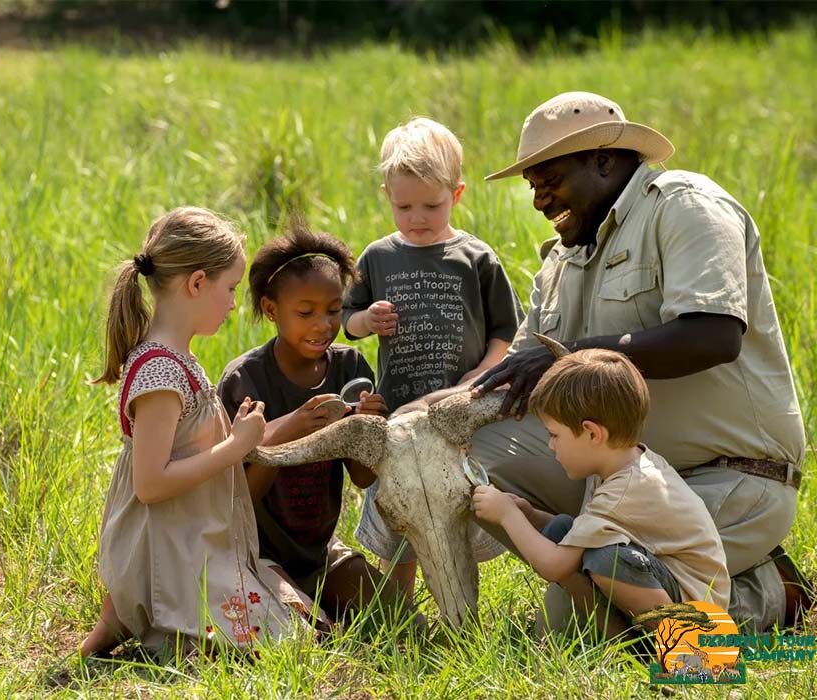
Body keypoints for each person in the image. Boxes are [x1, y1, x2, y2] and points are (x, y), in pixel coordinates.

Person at [462, 91, 808, 631]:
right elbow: (512, 381)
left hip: (728, 479)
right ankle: (617, 576)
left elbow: (714, 335)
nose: (539, 201)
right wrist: (411, 415)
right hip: (624, 475)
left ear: (602, 159)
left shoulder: (685, 205)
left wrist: (577, 354)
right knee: (467, 449)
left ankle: (768, 595)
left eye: (549, 181)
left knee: (576, 619)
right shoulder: (561, 261)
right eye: (533, 186)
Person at [80, 207, 320, 659]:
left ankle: (131, 622)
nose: (233, 303)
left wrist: (242, 434)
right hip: (170, 553)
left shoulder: (176, 358)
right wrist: (235, 446)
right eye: (229, 288)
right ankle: (139, 620)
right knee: (283, 644)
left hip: (190, 541)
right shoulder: (160, 374)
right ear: (196, 283)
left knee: (301, 620)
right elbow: (150, 486)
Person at [341, 117, 524, 596]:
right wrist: (366, 322)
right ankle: (400, 605)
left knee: (458, 505)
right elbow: (347, 318)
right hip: (399, 414)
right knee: (400, 507)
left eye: (432, 205)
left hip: (459, 413)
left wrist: (483, 375)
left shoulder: (475, 258)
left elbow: (507, 328)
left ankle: (460, 601)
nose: (417, 217)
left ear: (457, 195)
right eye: (404, 206)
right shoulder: (378, 257)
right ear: (386, 195)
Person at [217, 219, 410, 622]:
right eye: (305, 312)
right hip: (254, 555)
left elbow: (362, 478)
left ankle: (318, 601)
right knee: (305, 637)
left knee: (401, 620)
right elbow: (235, 498)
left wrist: (366, 429)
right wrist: (289, 434)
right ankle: (303, 610)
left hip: (321, 555)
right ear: (271, 310)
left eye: (334, 310)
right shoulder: (246, 380)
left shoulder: (349, 366)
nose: (323, 325)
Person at [472, 348, 730, 638]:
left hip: (698, 612)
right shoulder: (620, 465)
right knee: (561, 528)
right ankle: (625, 646)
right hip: (669, 588)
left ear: (593, 434)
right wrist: (530, 515)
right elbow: (577, 538)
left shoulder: (626, 490)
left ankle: (686, 650)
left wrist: (508, 516)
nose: (551, 446)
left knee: (608, 561)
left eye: (554, 435)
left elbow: (555, 566)